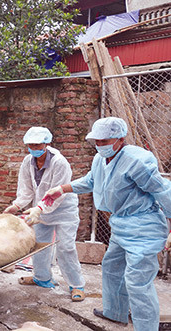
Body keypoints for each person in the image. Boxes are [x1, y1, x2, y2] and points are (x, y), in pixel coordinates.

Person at [42, 117, 171, 331]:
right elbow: (91, 181)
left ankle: (147, 327)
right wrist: (62, 189)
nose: (100, 145)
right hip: (120, 225)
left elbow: (162, 191)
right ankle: (115, 312)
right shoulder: (100, 159)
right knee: (112, 268)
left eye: (104, 141)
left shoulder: (138, 160)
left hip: (143, 227)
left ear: (120, 138)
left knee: (137, 282)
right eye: (97, 142)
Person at [4, 127, 86, 301]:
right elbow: (26, 188)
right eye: (30, 144)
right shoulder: (28, 161)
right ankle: (41, 277)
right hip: (40, 209)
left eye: (37, 144)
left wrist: (39, 208)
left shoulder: (60, 162)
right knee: (40, 244)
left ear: (47, 144)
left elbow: (58, 193)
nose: (33, 147)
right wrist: (16, 205)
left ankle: (76, 285)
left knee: (66, 247)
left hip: (64, 209)